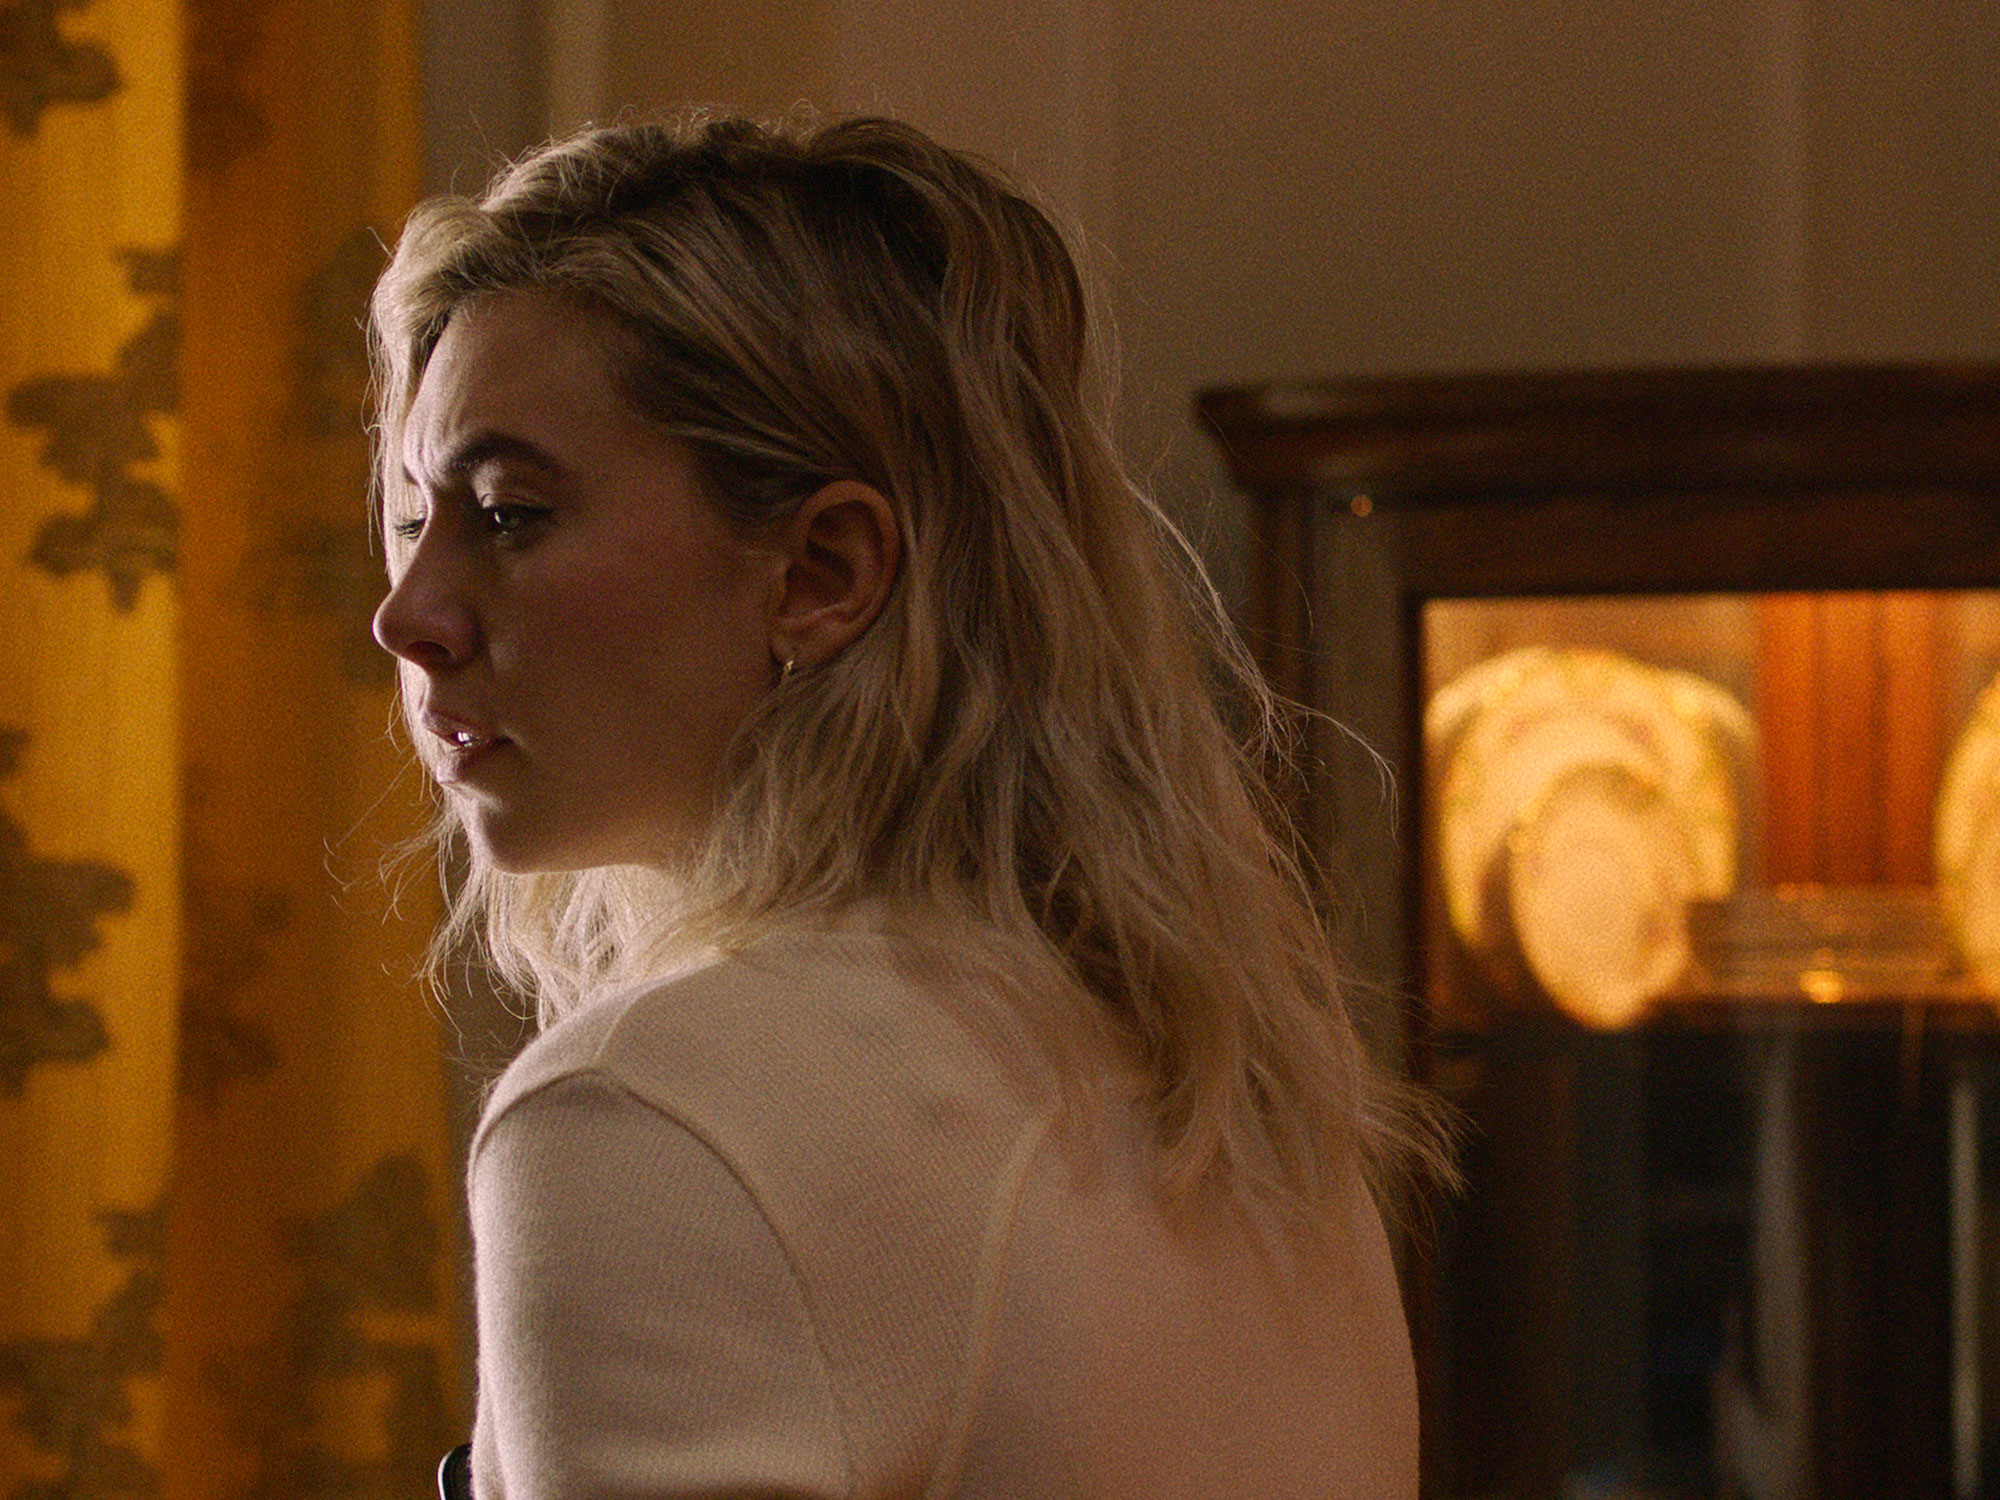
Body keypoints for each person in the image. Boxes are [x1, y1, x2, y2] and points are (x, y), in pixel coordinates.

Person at [370, 112, 1447, 1500]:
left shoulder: (653, 1113)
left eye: (510, 513)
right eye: (415, 519)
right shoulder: (1245, 1105)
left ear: (823, 570)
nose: (410, 616)